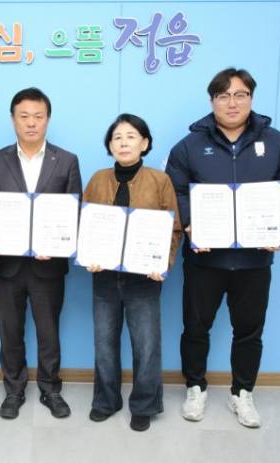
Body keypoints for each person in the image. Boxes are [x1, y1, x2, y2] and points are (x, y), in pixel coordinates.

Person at [165, 68, 280, 428]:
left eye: (240, 95)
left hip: (254, 261)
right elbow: (175, 190)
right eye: (224, 95)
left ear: (251, 99)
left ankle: (242, 393)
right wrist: (190, 223)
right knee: (195, 328)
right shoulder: (189, 146)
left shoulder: (276, 143)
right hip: (204, 260)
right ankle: (195, 387)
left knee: (249, 330)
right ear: (212, 100)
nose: (232, 102)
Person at [0, 87, 82, 419]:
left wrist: (58, 245)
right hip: (7, 265)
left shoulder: (66, 160)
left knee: (49, 332)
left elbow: (74, 210)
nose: (31, 123)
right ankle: (14, 390)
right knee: (10, 331)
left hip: (48, 266)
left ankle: (51, 389)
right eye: (24, 116)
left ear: (47, 119)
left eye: (38, 116)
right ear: (13, 120)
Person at [83, 114, 181, 431]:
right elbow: (85, 223)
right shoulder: (97, 179)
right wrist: (88, 255)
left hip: (144, 279)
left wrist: (163, 263)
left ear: (144, 143)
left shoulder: (159, 180)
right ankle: (106, 401)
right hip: (104, 277)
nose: (123, 142)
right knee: (104, 344)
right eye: (117, 137)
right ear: (110, 145)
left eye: (131, 136)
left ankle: (144, 405)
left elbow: (174, 229)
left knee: (146, 345)